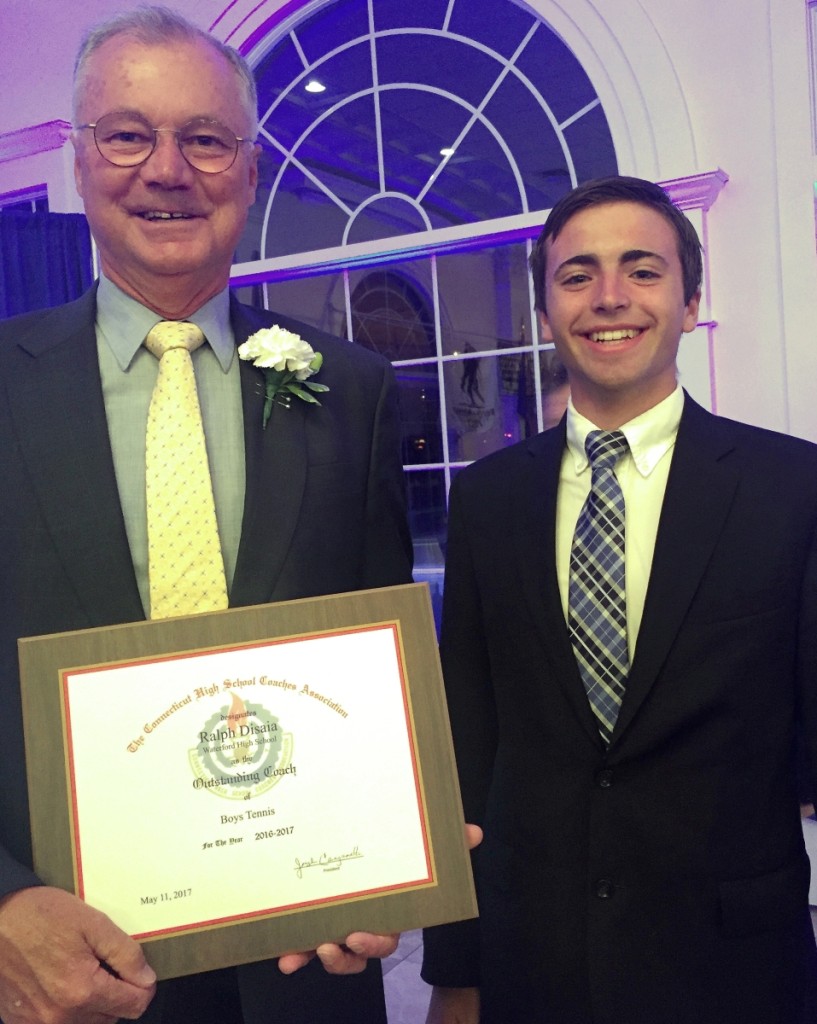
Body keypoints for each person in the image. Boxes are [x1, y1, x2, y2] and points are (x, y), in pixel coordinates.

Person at [0, 6, 414, 1023]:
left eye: (206, 138)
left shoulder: (351, 389)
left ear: (250, 167)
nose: (168, 169)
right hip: (63, 976)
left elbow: (375, 666)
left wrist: (386, 851)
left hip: (304, 969)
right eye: (130, 133)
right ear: (80, 157)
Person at [421, 175, 817, 1024]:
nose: (608, 298)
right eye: (576, 275)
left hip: (734, 963)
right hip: (536, 960)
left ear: (689, 297)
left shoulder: (793, 487)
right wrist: (455, 970)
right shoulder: (487, 501)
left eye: (642, 270)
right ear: (543, 309)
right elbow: (469, 737)